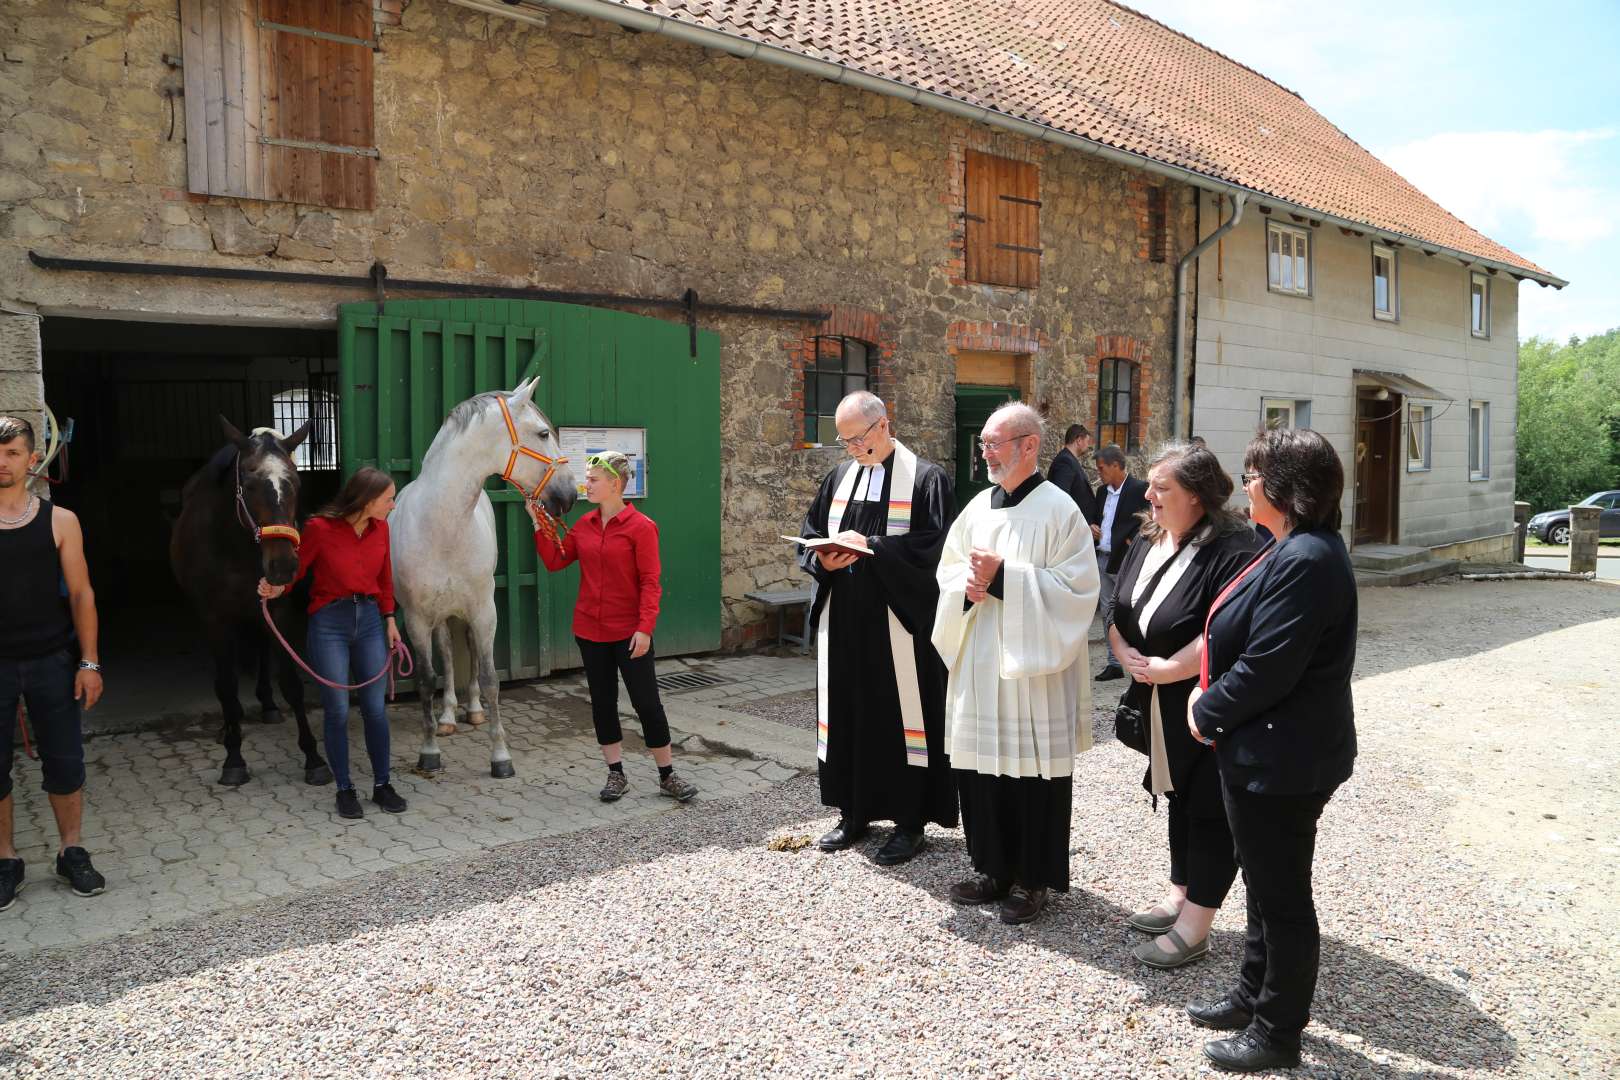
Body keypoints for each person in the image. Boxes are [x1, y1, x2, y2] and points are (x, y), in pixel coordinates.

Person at [1184, 428, 1358, 1073]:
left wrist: (1204, 711)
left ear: (1287, 489)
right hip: (1266, 750)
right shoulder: (1285, 546)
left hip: (1282, 759)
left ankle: (1277, 1032)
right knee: (1262, 885)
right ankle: (1250, 996)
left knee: (1281, 898)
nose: (1246, 485)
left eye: (1255, 475)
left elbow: (1267, 668)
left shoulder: (1308, 558)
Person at [932, 402, 1099, 924]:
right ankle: (992, 869)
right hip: (980, 660)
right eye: (982, 443)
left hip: (1032, 671)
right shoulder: (977, 508)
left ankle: (1032, 879)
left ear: (1029, 446)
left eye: (994, 443)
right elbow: (948, 571)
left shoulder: (1060, 510)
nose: (985, 452)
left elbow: (1078, 591)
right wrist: (968, 585)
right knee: (981, 770)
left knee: (1031, 775)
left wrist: (1006, 579)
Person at [1106, 443, 1260, 969]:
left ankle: (1197, 924)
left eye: (1161, 488)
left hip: (1203, 698)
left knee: (1209, 806)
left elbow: (1226, 625)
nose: (1147, 495)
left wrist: (1177, 669)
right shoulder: (1151, 533)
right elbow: (1119, 601)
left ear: (1196, 496)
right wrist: (1119, 644)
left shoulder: (1236, 547)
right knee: (1176, 795)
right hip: (1156, 696)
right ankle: (1180, 892)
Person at [798, 391, 957, 864]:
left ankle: (910, 822)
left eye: (857, 438)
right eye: (843, 440)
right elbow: (809, 532)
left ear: (883, 425)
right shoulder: (840, 476)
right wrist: (821, 557)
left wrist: (872, 546)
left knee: (900, 718)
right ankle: (854, 811)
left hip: (898, 627)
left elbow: (936, 549)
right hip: (846, 620)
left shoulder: (926, 480)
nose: (851, 448)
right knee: (850, 714)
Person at [534, 450, 698, 804]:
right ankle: (616, 774)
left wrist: (645, 628)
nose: (586, 485)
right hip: (590, 631)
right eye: (587, 479)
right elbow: (555, 561)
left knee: (647, 704)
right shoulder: (584, 525)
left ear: (615, 484)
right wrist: (538, 526)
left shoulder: (642, 528)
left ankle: (667, 776)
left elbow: (651, 582)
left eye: (593, 480)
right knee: (602, 703)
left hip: (629, 633)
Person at [258, 466, 407, 821]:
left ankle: (382, 784)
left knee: (375, 709)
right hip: (330, 624)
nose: (393, 505)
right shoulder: (319, 529)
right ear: (369, 501)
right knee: (338, 710)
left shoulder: (381, 529)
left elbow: (385, 578)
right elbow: (299, 569)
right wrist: (278, 588)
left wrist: (389, 619)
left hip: (370, 620)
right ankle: (344, 789)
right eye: (389, 499)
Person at [0, 415, 106, 908]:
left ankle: (72, 850)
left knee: (65, 760)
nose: (2, 464)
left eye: (12, 453)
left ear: (31, 457)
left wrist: (89, 662)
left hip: (52, 659)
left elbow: (82, 594)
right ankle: (6, 859)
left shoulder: (59, 521)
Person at [1093, 445, 1148, 681]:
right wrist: (1092, 527)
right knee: (1107, 613)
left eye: (1102, 468)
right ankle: (1114, 663)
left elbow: (1148, 521)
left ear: (1116, 465)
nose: (1099, 473)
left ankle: (1139, 661)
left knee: (1130, 611)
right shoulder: (1102, 492)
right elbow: (1099, 518)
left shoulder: (1138, 489)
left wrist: (1131, 543)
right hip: (1103, 558)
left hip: (1125, 560)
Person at [1047, 423, 1098, 525]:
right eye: (1087, 441)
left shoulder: (1069, 459)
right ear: (1078, 440)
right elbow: (1061, 499)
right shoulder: (1065, 461)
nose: (1088, 446)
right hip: (1074, 529)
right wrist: (1083, 526)